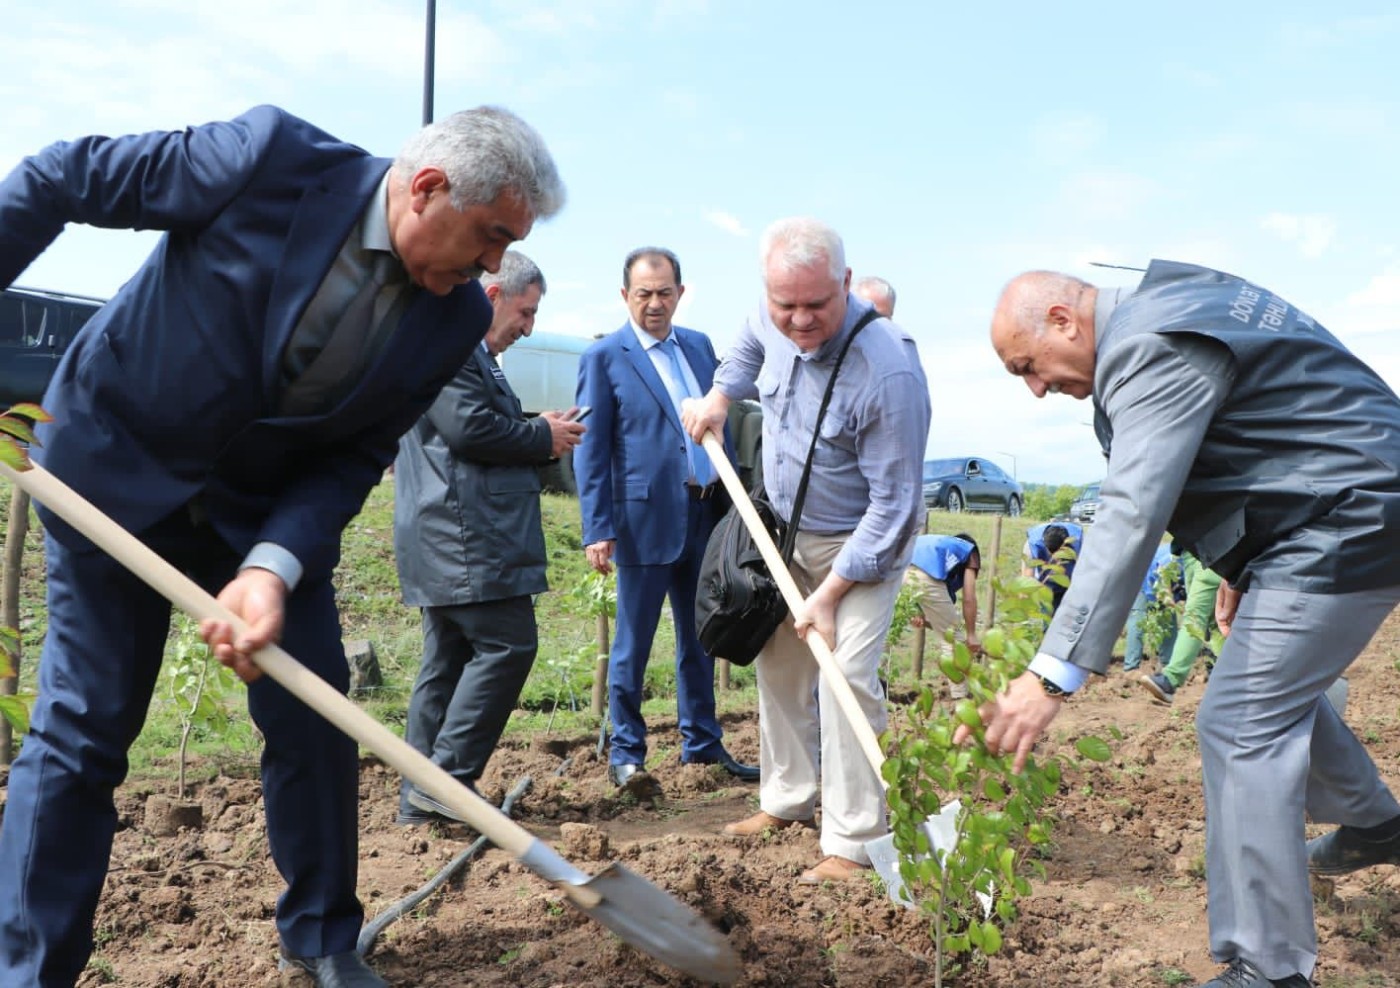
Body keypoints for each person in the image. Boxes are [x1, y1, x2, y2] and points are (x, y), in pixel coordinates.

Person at [0, 105, 565, 988]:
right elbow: (61, 178)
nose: (495, 265)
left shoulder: (451, 321)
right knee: (84, 730)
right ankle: (29, 971)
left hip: (260, 516)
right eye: (492, 236)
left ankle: (323, 937)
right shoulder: (266, 162)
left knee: (314, 716)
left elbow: (353, 458)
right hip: (114, 471)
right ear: (426, 189)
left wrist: (271, 567)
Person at [970, 261, 1400, 988]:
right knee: (1260, 698)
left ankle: (1267, 969)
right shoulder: (1174, 305)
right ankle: (1376, 824)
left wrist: (1051, 673)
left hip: (1348, 516)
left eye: (1029, 367)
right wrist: (1241, 570)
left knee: (1238, 723)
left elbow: (1133, 508)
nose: (1036, 389)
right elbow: (1260, 440)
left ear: (1065, 323)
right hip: (1335, 508)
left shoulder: (1147, 343)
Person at [682, 217, 930, 884]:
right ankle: (787, 798)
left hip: (863, 545)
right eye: (783, 304)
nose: (797, 321)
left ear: (846, 286)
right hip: (784, 529)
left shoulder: (888, 371)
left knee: (844, 675)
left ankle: (853, 841)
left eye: (815, 305)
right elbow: (744, 351)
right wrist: (719, 396)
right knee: (781, 662)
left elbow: (895, 506)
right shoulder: (770, 316)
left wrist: (828, 595)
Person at [392, 251, 585, 825]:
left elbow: (475, 420)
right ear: (493, 294)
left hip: (450, 533)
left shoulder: (463, 347)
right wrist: (539, 436)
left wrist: (536, 425)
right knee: (508, 645)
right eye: (524, 313)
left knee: (446, 663)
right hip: (467, 536)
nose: (528, 328)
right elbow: (468, 428)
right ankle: (446, 784)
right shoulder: (452, 343)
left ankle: (420, 802)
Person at [573, 247, 757, 791]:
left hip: (705, 513)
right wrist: (597, 526)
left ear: (680, 292)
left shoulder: (698, 346)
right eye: (643, 293)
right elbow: (591, 449)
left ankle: (701, 744)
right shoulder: (605, 356)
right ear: (624, 296)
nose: (655, 303)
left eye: (664, 292)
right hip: (641, 519)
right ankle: (627, 754)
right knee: (633, 641)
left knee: (702, 635)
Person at [905, 532, 981, 699]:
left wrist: (916, 612)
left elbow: (941, 620)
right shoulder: (969, 550)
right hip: (921, 576)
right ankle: (961, 697)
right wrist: (971, 634)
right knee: (954, 641)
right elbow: (969, 598)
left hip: (897, 570)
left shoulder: (939, 550)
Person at [1141, 551, 1221, 704]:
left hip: (1202, 554)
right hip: (1199, 555)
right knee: (1211, 623)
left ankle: (1171, 679)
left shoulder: (1164, 562)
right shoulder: (1162, 566)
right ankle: (1219, 683)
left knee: (1197, 619)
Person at [1121, 541, 1182, 672]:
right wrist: (1167, 601)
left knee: (1168, 623)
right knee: (1138, 621)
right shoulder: (1171, 561)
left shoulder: (1197, 564)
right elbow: (1157, 588)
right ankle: (1131, 668)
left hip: (1161, 578)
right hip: (1141, 577)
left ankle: (1167, 665)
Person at [1020, 521, 1083, 615]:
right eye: (1052, 554)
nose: (1056, 560)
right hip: (1047, 585)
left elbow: (1084, 569)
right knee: (1048, 619)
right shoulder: (1033, 543)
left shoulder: (1078, 540)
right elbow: (1027, 574)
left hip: (1070, 584)